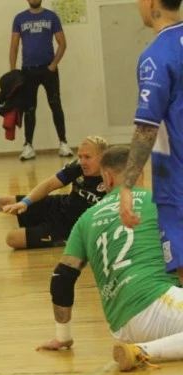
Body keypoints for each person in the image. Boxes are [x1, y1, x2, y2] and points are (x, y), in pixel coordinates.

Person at [39, 145, 183, 371]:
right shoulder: (159, 202)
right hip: (158, 302)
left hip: (122, 324)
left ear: (107, 177)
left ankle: (136, 348)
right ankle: (143, 352)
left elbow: (61, 278)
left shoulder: (85, 220)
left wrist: (63, 336)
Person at [118, 0, 183, 284]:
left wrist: (127, 184)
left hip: (178, 184)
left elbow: (147, 128)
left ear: (151, 2)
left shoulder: (157, 56)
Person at [9, 0, 72, 161]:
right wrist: (13, 71)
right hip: (28, 70)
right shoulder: (19, 18)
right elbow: (14, 46)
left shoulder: (51, 16)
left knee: (55, 105)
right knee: (29, 109)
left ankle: (63, 143)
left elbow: (62, 43)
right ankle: (28, 145)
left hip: (48, 69)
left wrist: (53, 65)